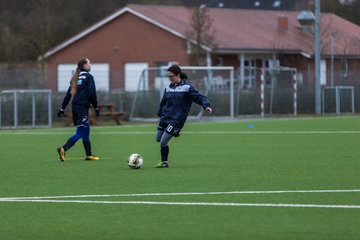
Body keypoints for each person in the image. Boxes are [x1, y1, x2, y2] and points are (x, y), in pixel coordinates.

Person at [155, 64, 212, 168]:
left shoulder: (187, 88)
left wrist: (206, 106)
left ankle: (164, 162)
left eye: (171, 76)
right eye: (168, 76)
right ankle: (164, 157)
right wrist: (160, 114)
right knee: (158, 139)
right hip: (165, 118)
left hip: (177, 120)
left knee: (163, 142)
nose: (169, 78)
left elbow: (199, 97)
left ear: (178, 75)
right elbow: (163, 103)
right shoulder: (168, 88)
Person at [56, 57, 100, 161]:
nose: (90, 65)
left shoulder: (75, 78)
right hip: (82, 108)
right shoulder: (89, 77)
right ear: (84, 65)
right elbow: (92, 93)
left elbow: (68, 95)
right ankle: (63, 148)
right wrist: (96, 107)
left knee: (86, 130)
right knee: (80, 132)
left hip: (75, 107)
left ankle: (89, 154)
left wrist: (62, 108)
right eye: (89, 63)